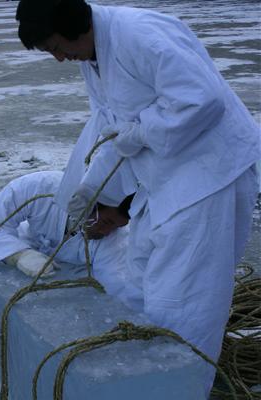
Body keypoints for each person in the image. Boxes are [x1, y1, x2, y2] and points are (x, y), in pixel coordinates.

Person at [15, 0, 260, 395]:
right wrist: (89, 192)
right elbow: (110, 129)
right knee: (143, 269)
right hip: (166, 179)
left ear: (74, 25)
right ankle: (155, 377)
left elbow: (203, 100)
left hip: (210, 176)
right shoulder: (91, 57)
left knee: (184, 299)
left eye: (57, 47)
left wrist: (143, 133)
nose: (60, 59)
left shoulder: (139, 34)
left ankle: (180, 387)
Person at [0, 170, 134, 304]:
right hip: (28, 247)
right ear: (90, 204)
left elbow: (116, 284)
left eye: (116, 226)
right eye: (106, 221)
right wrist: (18, 255)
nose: (106, 232)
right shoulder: (42, 186)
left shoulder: (116, 239)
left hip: (73, 278)